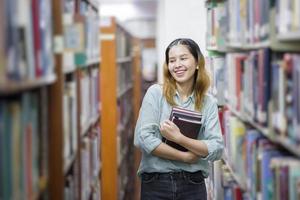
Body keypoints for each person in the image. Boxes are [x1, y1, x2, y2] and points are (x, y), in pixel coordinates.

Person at [134, 38, 224, 200]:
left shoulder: (208, 102)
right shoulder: (155, 93)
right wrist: (185, 157)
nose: (177, 65)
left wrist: (179, 138)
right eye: (172, 60)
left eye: (183, 58)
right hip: (156, 184)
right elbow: (143, 139)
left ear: (197, 62)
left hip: (193, 185)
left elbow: (216, 147)